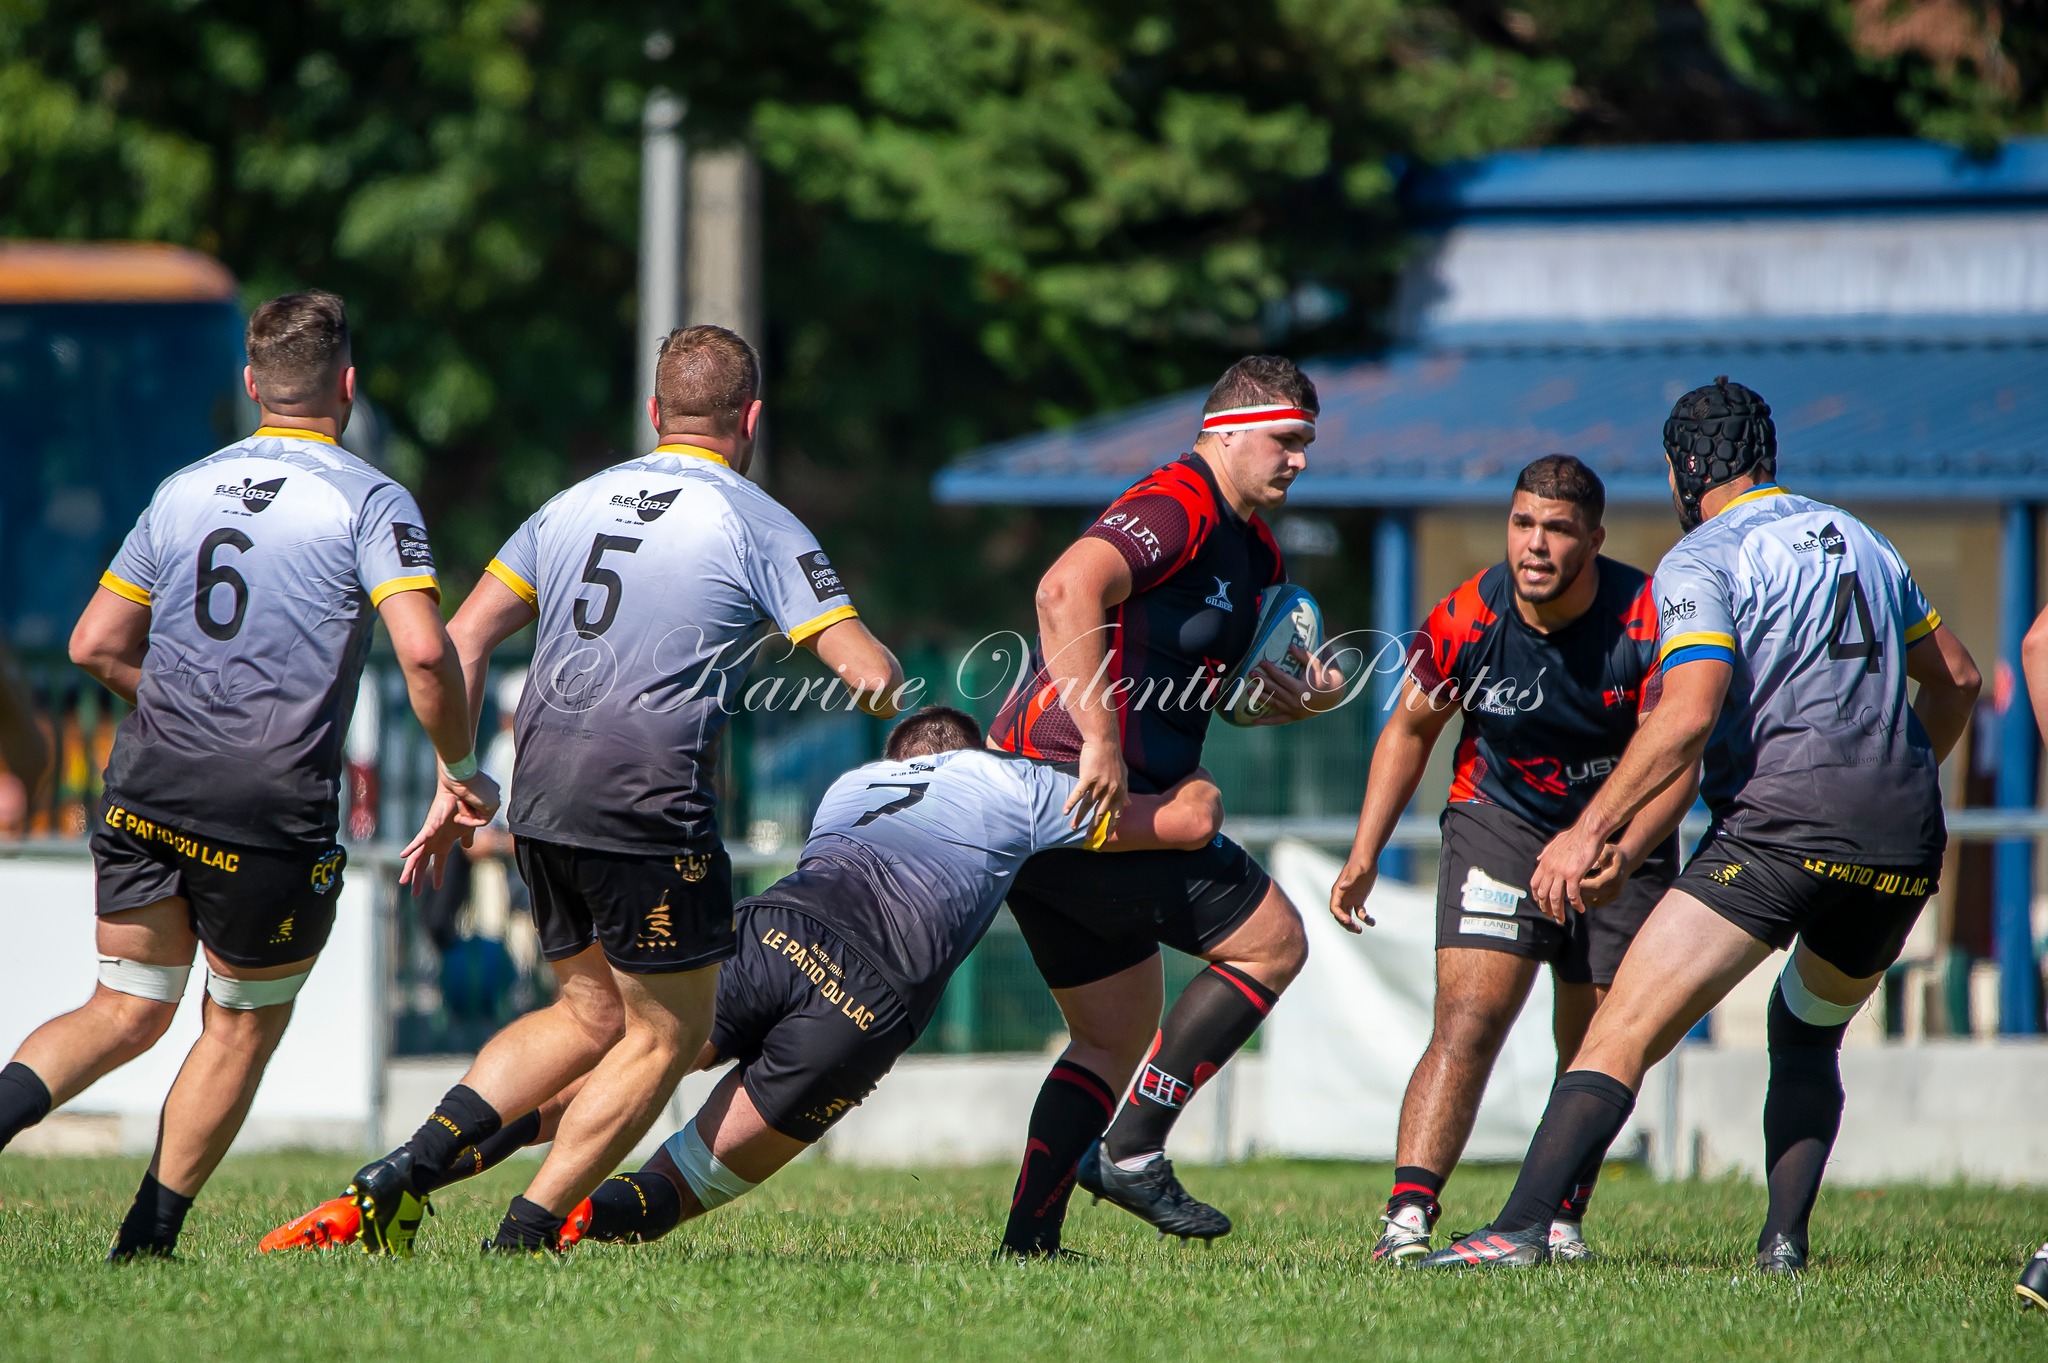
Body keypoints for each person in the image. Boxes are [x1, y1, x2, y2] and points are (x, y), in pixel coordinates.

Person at [260, 706, 1226, 1253]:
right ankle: (545, 1235)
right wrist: (1192, 777)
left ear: (900, 757)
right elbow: (1181, 826)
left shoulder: (849, 787)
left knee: (613, 1077)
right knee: (678, 1184)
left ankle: (396, 1182)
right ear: (968, 749)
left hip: (765, 933)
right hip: (862, 1005)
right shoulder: (1011, 785)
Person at [338, 324, 905, 1256]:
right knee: (669, 1032)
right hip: (647, 798)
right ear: (751, 419)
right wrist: (872, 669)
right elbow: (868, 675)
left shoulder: (570, 505)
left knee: (589, 1013)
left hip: (540, 788)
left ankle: (407, 1168)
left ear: (654, 412)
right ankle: (521, 1236)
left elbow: (462, 639)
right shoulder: (754, 518)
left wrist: (456, 773)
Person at [1420, 377, 1980, 1272]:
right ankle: (1783, 1244)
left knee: (1619, 1031)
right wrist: (1901, 770)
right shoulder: (1865, 541)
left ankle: (1520, 1228)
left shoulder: (1704, 557)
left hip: (1778, 831)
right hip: (1903, 840)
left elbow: (1685, 715)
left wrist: (1586, 830)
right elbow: (1958, 677)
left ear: (1687, 469)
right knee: (1805, 1032)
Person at [0, 291, 496, 1259]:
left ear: (249, 386)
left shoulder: (182, 489)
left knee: (124, 1006)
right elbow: (427, 660)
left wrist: (181, 700)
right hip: (267, 805)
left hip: (148, 785)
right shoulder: (370, 499)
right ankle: (144, 1244)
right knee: (235, 1027)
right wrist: (461, 770)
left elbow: (94, 644)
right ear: (347, 389)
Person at [988, 355, 1347, 1255]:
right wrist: (1102, 739)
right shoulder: (1175, 502)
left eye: (1307, 442)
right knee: (1273, 940)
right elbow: (1065, 589)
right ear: (1226, 431)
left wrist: (1294, 698)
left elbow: (1214, 690)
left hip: (1088, 807)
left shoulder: (1255, 549)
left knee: (1111, 1039)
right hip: (1080, 793)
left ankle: (1029, 1243)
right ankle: (1133, 1150)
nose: (1300, 459)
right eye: (1286, 440)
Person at [1328, 454, 1696, 1264]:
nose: (1535, 544)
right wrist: (1363, 853)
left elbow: (1678, 763)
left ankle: (1558, 1217)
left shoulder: (1647, 620)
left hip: (1618, 835)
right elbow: (1410, 731)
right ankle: (1406, 1220)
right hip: (1500, 821)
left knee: (1599, 1039)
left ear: (1594, 538)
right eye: (1523, 522)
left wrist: (1624, 850)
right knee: (1468, 1018)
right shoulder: (1465, 614)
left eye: (1559, 529)